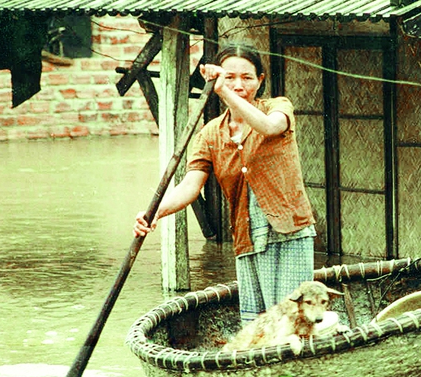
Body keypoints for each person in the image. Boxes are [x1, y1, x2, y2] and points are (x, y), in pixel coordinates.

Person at [133, 42, 316, 323]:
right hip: (246, 235)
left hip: (289, 228)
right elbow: (190, 187)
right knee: (258, 323)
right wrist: (155, 212)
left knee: (293, 319)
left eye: (247, 77)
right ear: (215, 79)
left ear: (260, 81)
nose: (238, 84)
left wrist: (223, 90)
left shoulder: (278, 108)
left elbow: (268, 127)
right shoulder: (210, 134)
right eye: (229, 77)